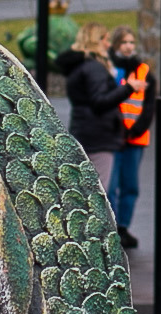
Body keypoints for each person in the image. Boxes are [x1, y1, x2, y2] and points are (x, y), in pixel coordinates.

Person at [60, 25, 129, 244]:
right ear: (95, 41)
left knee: (83, 189)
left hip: (84, 131)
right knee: (97, 194)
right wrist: (129, 89)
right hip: (99, 136)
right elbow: (101, 102)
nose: (108, 45)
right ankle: (92, 242)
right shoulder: (95, 68)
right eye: (104, 39)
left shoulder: (78, 67)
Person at [104, 27, 149, 245]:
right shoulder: (111, 69)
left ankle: (124, 226)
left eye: (131, 42)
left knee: (130, 186)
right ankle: (111, 226)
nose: (129, 47)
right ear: (115, 45)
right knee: (111, 186)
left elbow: (148, 105)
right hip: (114, 136)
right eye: (124, 43)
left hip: (136, 137)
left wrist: (138, 128)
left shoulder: (143, 71)